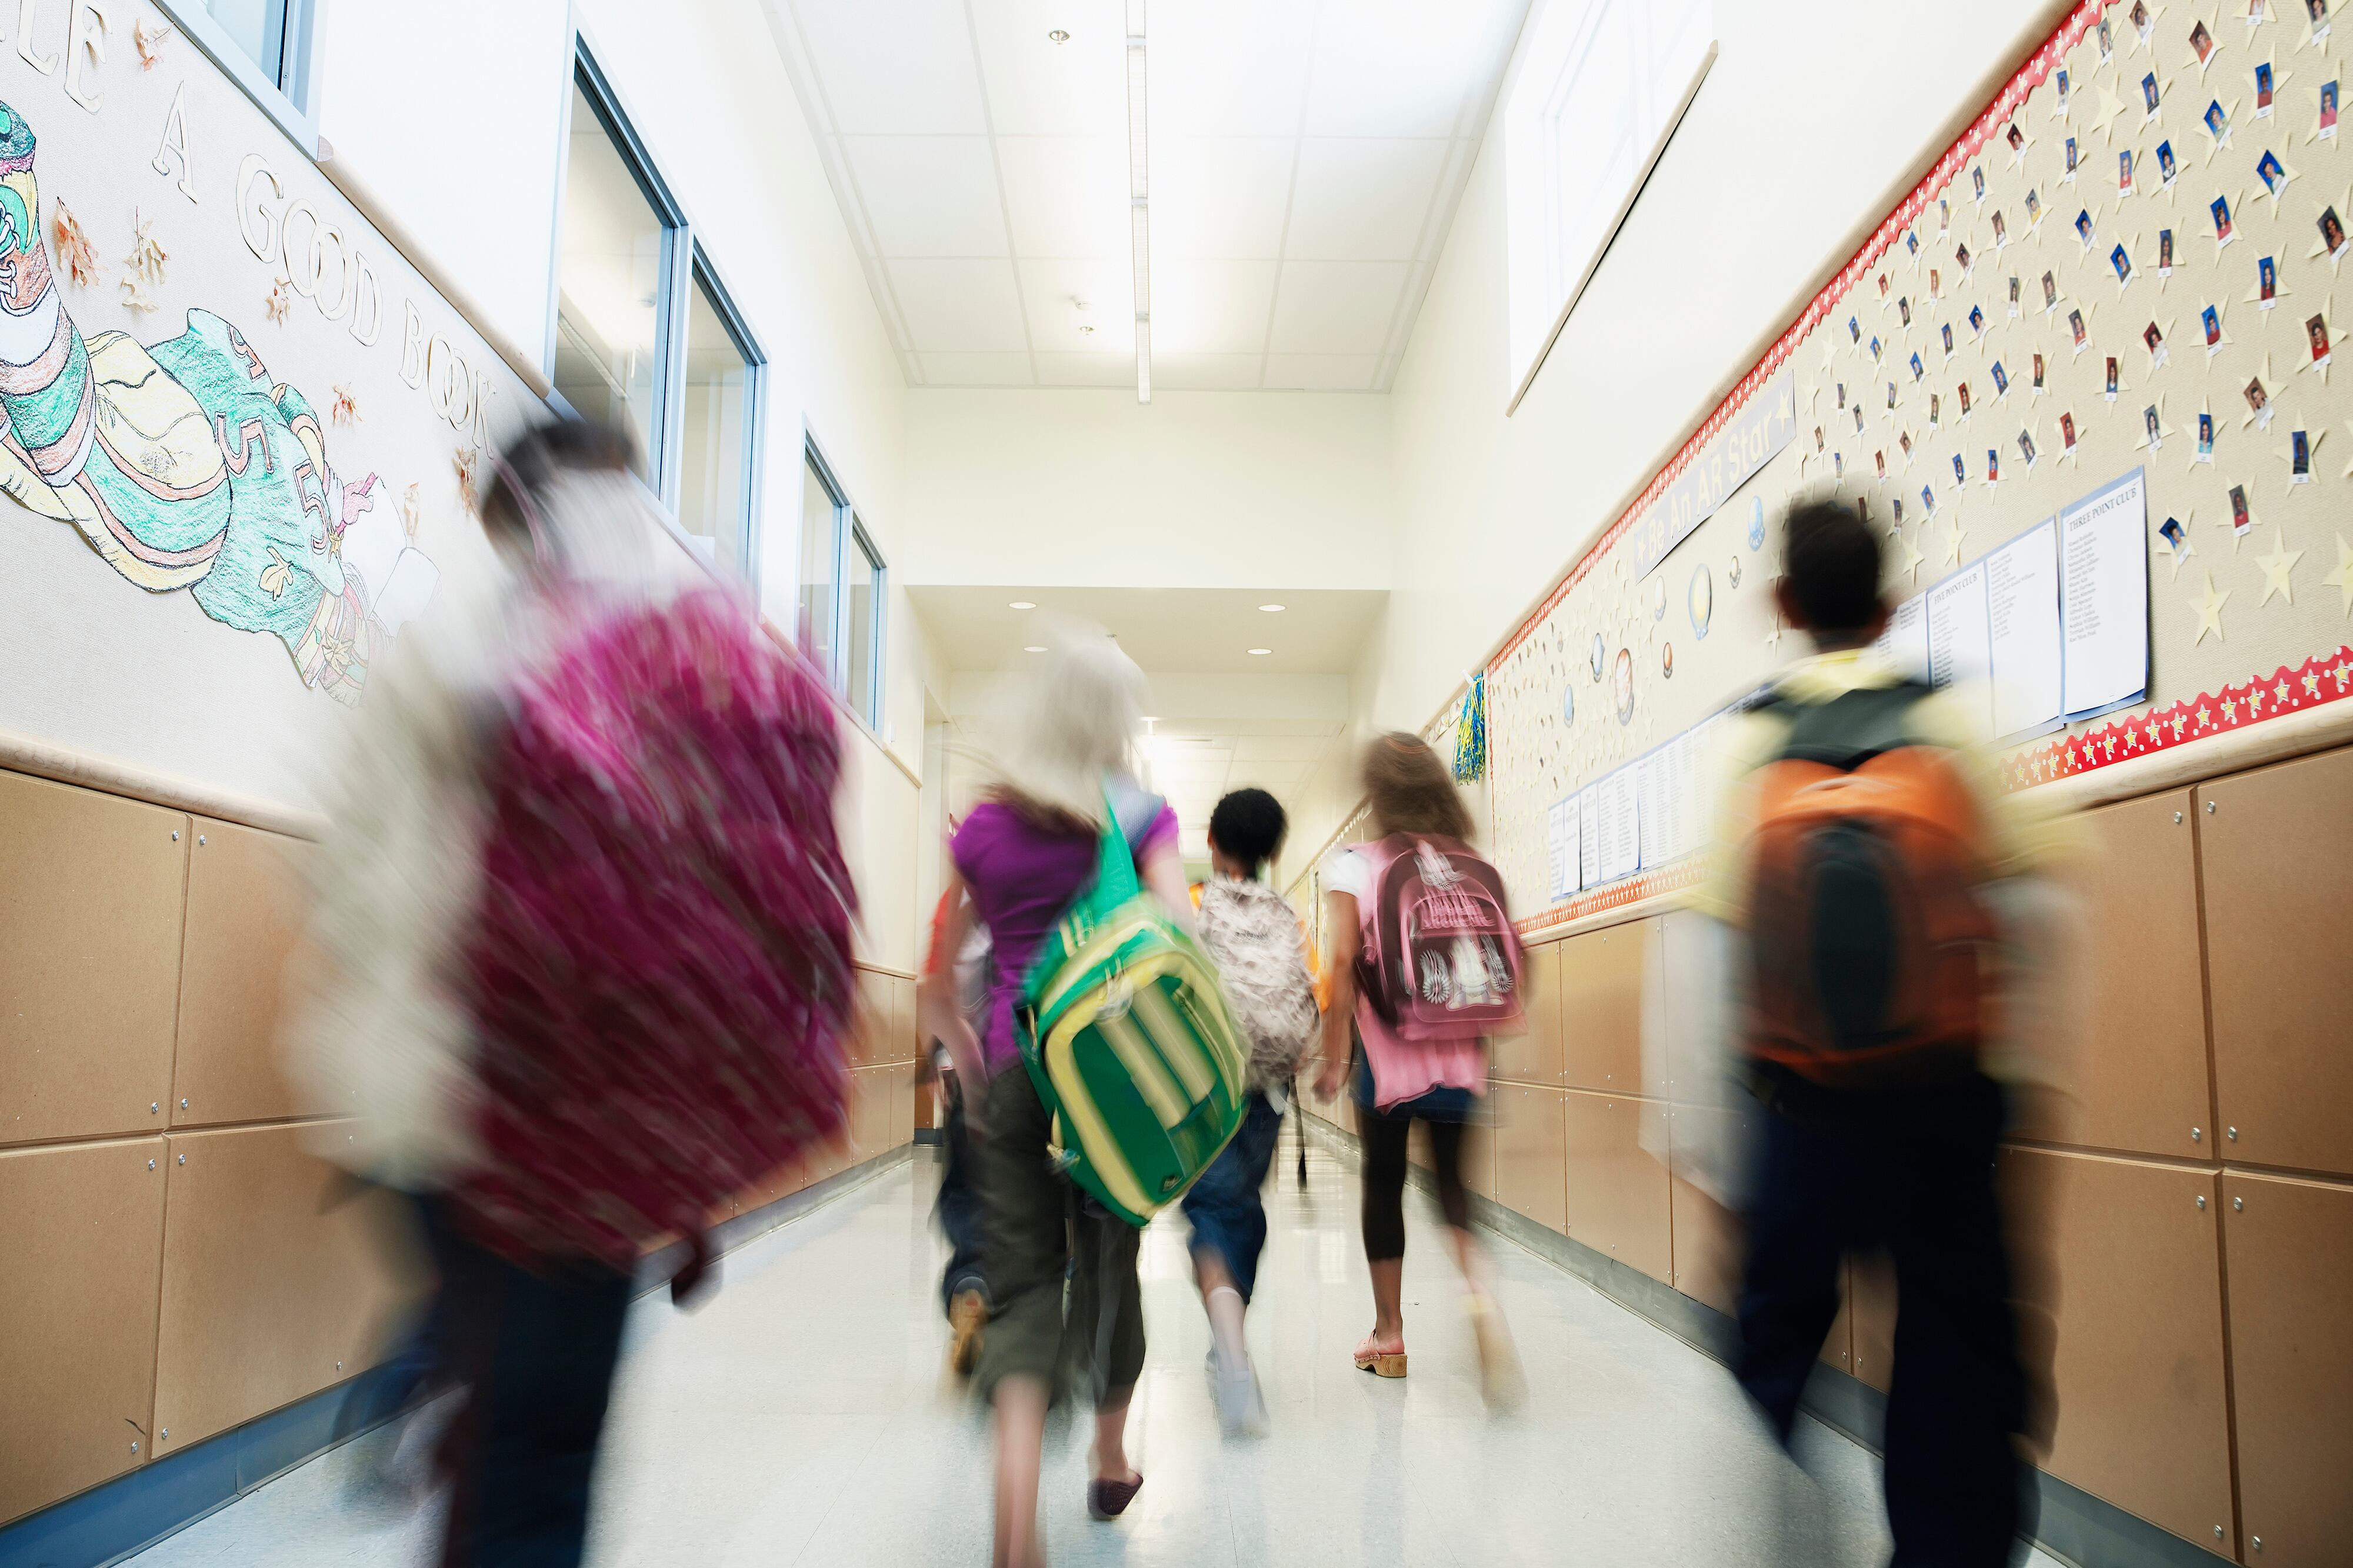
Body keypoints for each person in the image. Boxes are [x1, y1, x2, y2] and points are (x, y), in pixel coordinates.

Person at [1696, 499, 2069, 1567]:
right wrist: (2025, 1102)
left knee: (1770, 1343)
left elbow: (1706, 965)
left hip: (1796, 1111)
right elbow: (2034, 922)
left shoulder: (1751, 744)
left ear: (1784, 604)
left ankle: (1783, 1513)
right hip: (1947, 1109)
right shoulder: (1954, 723)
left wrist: (1720, 1165)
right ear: (1892, 603)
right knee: (1957, 1354)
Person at [919, 630, 1191, 1568]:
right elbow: (1180, 947)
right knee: (1113, 1270)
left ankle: (1013, 1529)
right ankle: (1112, 1456)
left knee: (1025, 1286)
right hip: (1111, 1091)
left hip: (1012, 1077)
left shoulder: (984, 828)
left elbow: (935, 979)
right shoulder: (1141, 815)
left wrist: (970, 1055)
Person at [1311, 734, 1521, 1405]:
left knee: (1384, 1183)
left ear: (1376, 795)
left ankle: (1389, 1333)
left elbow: (1342, 963)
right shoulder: (1470, 860)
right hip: (1462, 1052)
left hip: (1388, 1056)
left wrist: (1333, 1051)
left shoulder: (1355, 863)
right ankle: (1478, 1292)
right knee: (1454, 1186)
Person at [1183, 788, 1319, 1435]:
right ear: (1272, 853)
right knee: (1243, 1210)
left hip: (1203, 1088)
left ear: (1211, 840)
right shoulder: (1289, 915)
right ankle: (1227, 1342)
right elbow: (1307, 997)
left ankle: (1231, 1352)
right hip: (1268, 1088)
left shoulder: (1192, 907)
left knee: (1210, 1209)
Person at [921, 876, 992, 1377]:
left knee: (968, 1190)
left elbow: (935, 987)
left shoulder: (961, 893)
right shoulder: (1063, 871)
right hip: (1046, 1073)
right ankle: (1039, 1312)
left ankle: (971, 1286)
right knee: (1043, 1198)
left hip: (972, 1073)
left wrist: (938, 1061)